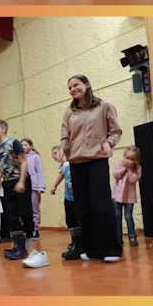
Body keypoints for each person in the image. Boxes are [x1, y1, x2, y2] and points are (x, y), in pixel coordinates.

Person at [60, 75, 124, 262]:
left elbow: (116, 131)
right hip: (76, 162)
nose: (73, 89)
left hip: (97, 159)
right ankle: (91, 249)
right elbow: (65, 135)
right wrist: (62, 149)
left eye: (76, 85)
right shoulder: (69, 112)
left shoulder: (104, 107)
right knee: (83, 207)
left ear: (86, 85)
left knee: (101, 204)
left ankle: (111, 249)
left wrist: (108, 144)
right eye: (70, 87)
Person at [0, 119, 49, 269]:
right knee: (11, 215)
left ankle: (30, 248)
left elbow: (23, 161)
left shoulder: (13, 143)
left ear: (3, 129)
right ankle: (19, 247)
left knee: (24, 213)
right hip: (7, 183)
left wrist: (21, 181)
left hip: (20, 180)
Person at [50, 145, 81, 259]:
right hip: (68, 198)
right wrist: (54, 186)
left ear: (62, 152)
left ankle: (80, 243)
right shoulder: (64, 166)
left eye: (55, 153)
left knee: (78, 220)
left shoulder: (71, 163)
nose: (53, 156)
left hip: (77, 198)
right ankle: (75, 242)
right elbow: (61, 176)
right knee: (70, 220)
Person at [112, 145, 142, 246]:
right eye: (127, 158)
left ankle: (132, 237)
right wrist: (124, 168)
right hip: (117, 196)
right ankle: (118, 238)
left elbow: (132, 180)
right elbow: (116, 175)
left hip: (129, 198)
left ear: (136, 160)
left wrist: (130, 169)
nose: (129, 161)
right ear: (124, 157)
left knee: (128, 217)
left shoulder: (138, 169)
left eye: (132, 159)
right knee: (117, 216)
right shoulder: (119, 164)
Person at [21, 138, 46, 239]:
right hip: (24, 186)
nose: (23, 147)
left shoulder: (36, 157)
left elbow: (40, 172)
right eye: (22, 145)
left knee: (34, 209)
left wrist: (41, 186)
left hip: (34, 186)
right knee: (25, 209)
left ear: (31, 146)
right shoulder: (20, 158)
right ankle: (27, 229)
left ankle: (35, 229)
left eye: (25, 144)